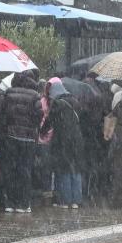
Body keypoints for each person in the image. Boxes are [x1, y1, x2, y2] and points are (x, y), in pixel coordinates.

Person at [0, 71, 43, 214]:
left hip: (11, 136)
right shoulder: (34, 95)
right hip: (28, 139)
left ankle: (10, 202)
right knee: (25, 170)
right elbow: (39, 115)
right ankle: (24, 203)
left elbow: (1, 112)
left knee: (11, 169)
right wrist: (31, 126)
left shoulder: (8, 93)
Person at [42, 78, 84, 209]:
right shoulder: (75, 101)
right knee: (75, 168)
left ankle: (64, 201)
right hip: (77, 139)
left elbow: (49, 121)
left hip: (62, 140)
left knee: (63, 169)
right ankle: (76, 200)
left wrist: (42, 131)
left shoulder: (57, 103)